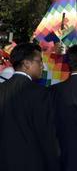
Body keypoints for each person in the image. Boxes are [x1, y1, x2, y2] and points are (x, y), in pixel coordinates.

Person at [0, 43, 60, 171]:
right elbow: (46, 135)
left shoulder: (1, 89)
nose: (42, 66)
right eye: (39, 61)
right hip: (30, 163)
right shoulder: (40, 93)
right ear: (26, 63)